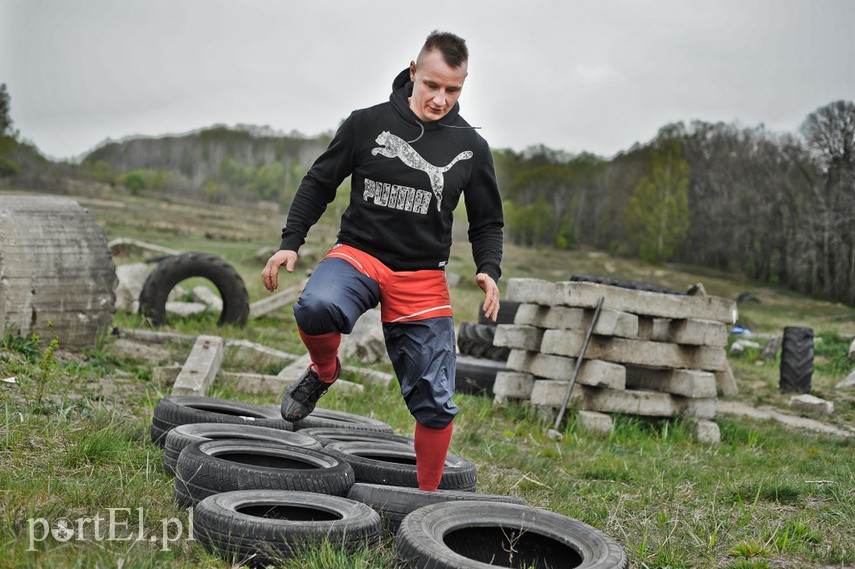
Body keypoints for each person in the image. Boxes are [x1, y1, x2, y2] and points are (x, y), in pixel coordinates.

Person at [261, 30, 503, 492]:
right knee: (316, 307)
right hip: (359, 255)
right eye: (432, 85)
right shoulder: (366, 124)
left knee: (435, 400)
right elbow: (319, 182)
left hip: (422, 275)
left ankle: (425, 503)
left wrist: (489, 270)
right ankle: (324, 371)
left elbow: (488, 221)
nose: (440, 99)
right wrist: (291, 241)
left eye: (453, 90)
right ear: (413, 72)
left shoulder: (470, 146)